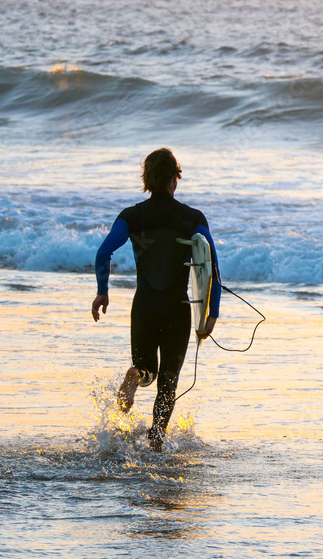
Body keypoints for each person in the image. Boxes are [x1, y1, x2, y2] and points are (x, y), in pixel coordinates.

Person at [91, 148, 220, 452]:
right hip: (178, 309)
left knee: (147, 368)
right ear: (175, 177)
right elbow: (211, 264)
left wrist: (102, 291)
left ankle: (135, 375)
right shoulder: (193, 218)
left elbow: (102, 252)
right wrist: (211, 312)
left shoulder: (131, 216)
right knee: (169, 382)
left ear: (146, 179)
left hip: (145, 306)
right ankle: (156, 441)